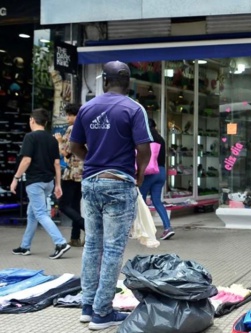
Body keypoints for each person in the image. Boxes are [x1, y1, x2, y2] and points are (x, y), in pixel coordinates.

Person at [69, 61, 152, 330]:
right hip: (119, 183)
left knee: (93, 245)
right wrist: (139, 174)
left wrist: (93, 159)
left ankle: (87, 306)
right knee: (113, 249)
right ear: (128, 82)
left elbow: (74, 146)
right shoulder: (133, 108)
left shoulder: (87, 107)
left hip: (91, 183)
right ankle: (101, 313)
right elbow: (144, 149)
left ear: (105, 80)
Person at [10, 108, 71, 259]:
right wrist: (58, 185)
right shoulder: (52, 139)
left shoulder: (30, 137)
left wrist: (15, 178)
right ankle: (25, 246)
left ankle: (60, 243)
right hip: (48, 182)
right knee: (32, 214)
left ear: (32, 120)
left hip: (35, 182)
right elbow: (57, 164)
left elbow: (26, 160)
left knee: (41, 214)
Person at [56, 103, 86, 247]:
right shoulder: (87, 127)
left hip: (72, 172)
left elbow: (66, 152)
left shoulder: (72, 129)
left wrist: (59, 142)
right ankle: (75, 237)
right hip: (84, 171)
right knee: (75, 204)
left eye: (70, 115)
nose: (67, 118)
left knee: (63, 204)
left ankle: (87, 227)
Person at [140, 118, 174, 240]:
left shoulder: (146, 138)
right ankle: (167, 228)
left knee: (141, 201)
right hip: (161, 172)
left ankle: (145, 229)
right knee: (157, 201)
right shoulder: (161, 138)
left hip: (150, 172)